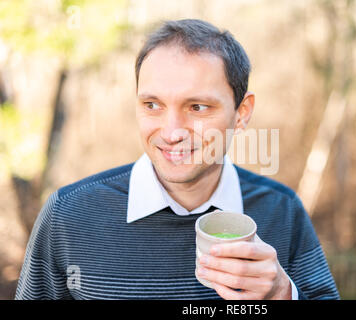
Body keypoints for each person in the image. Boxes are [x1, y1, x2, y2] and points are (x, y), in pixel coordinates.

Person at [15, 19, 339, 300]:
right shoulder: (68, 215)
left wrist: (282, 293)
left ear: (242, 113)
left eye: (197, 107)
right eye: (152, 105)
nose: (171, 133)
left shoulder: (282, 211)